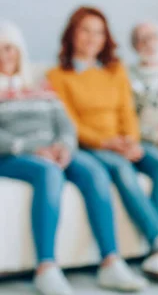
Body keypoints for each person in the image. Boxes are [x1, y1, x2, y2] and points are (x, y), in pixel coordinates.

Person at [0, 20, 147, 294]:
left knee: (93, 172)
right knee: (48, 172)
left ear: (18, 51)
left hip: (54, 149)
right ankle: (46, 267)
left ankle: (110, 261)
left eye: (9, 48)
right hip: (14, 155)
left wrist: (65, 147)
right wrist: (31, 148)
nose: (4, 55)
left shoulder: (37, 82)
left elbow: (64, 121)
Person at [47, 7, 158, 281]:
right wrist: (108, 143)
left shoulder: (115, 70)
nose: (92, 38)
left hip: (124, 141)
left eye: (99, 32)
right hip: (91, 146)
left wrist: (130, 141)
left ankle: (154, 254)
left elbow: (126, 110)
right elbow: (70, 124)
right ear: (72, 34)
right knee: (120, 168)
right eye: (85, 30)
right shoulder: (57, 76)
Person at [129, 21, 158, 147]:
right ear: (134, 46)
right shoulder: (126, 76)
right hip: (145, 141)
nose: (150, 43)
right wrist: (154, 134)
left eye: (154, 36)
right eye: (143, 39)